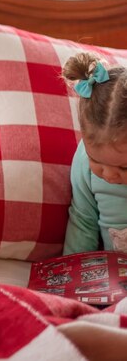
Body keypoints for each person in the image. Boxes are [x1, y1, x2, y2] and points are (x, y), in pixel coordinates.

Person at [62, 52, 127, 255]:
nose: (108, 175)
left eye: (124, 167)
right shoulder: (82, 161)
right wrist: (72, 272)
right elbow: (83, 222)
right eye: (95, 160)